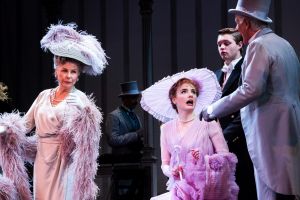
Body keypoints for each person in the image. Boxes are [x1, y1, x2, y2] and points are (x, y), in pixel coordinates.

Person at [201, 0, 300, 199]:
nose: (237, 28)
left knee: (271, 189)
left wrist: (212, 110)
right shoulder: (284, 43)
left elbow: (250, 89)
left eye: (238, 23)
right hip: (288, 123)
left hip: (270, 128)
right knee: (287, 184)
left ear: (246, 22)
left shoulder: (259, 45)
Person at [0, 22, 108, 200]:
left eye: (73, 72)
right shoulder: (43, 96)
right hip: (42, 157)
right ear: (56, 71)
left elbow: (88, 137)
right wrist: (4, 128)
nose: (69, 76)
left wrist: (85, 113)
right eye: (65, 70)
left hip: (64, 160)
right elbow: (24, 124)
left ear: (78, 75)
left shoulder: (79, 98)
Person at [141, 68, 239, 200]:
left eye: (193, 92)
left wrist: (203, 161)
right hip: (181, 190)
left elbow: (226, 159)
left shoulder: (209, 124)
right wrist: (172, 171)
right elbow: (165, 163)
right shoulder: (165, 129)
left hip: (207, 190)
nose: (190, 95)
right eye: (184, 91)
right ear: (174, 99)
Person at [216, 27, 257, 199]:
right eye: (219, 44)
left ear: (240, 44)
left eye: (226, 43)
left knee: (245, 189)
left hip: (240, 141)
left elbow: (246, 109)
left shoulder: (247, 69)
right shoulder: (216, 74)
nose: (222, 48)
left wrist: (224, 136)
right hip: (221, 145)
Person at [105, 81, 143, 161]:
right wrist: (135, 135)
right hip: (121, 161)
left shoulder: (136, 116)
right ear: (124, 99)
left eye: (136, 97)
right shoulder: (114, 116)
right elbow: (113, 140)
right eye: (133, 98)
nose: (136, 101)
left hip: (137, 160)